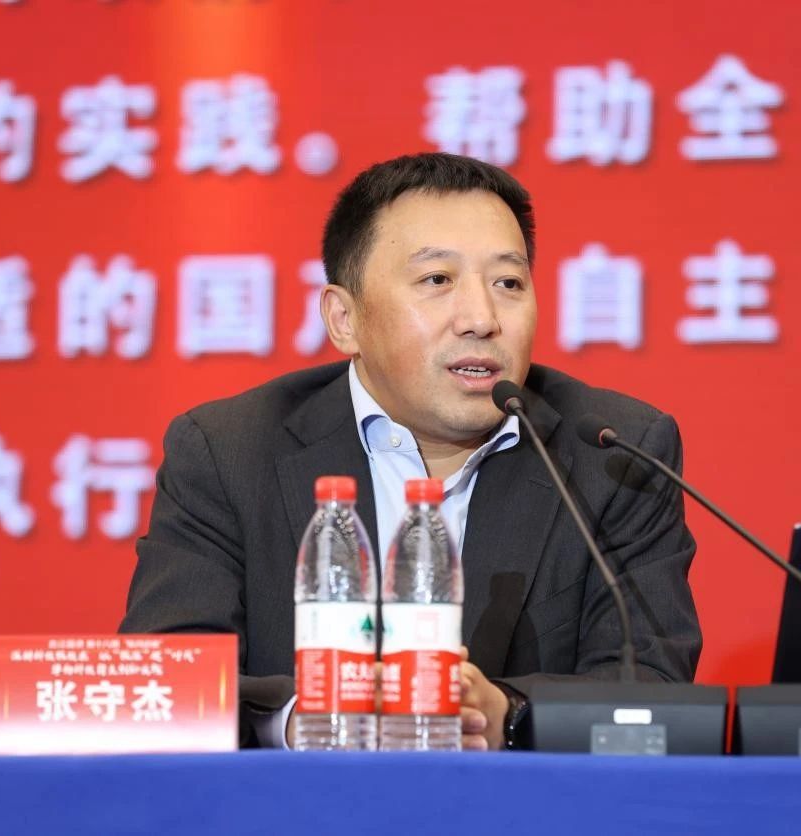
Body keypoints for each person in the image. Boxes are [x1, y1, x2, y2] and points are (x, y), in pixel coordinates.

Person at [120, 152, 701, 750]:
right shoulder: (228, 451)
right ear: (344, 319)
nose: (481, 319)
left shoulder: (613, 452)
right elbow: (164, 677)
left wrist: (506, 712)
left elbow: (652, 683)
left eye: (508, 283)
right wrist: (305, 719)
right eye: (437, 280)